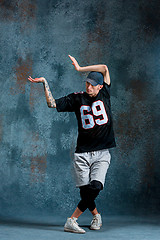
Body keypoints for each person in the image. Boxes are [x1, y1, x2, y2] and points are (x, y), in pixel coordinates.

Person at [28, 55, 116, 234]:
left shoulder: (105, 92)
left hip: (101, 152)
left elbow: (105, 67)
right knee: (86, 193)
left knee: (96, 187)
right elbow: (52, 104)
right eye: (87, 83)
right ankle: (96, 215)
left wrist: (79, 68)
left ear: (100, 86)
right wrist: (45, 83)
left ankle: (72, 219)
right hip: (82, 153)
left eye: (92, 84)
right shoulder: (77, 99)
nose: (88, 87)